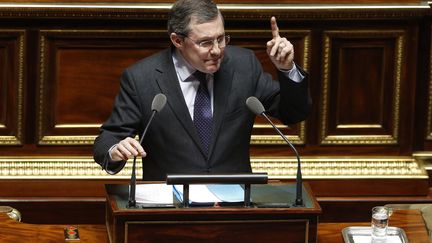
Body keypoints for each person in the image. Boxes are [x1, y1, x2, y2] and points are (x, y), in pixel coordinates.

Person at [93, 0, 312, 181]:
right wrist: (115, 150)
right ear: (177, 40)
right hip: (169, 205)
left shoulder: (243, 65)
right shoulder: (142, 78)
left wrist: (287, 69)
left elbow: (294, 113)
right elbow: (109, 138)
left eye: (221, 39)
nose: (217, 50)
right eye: (206, 42)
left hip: (235, 203)